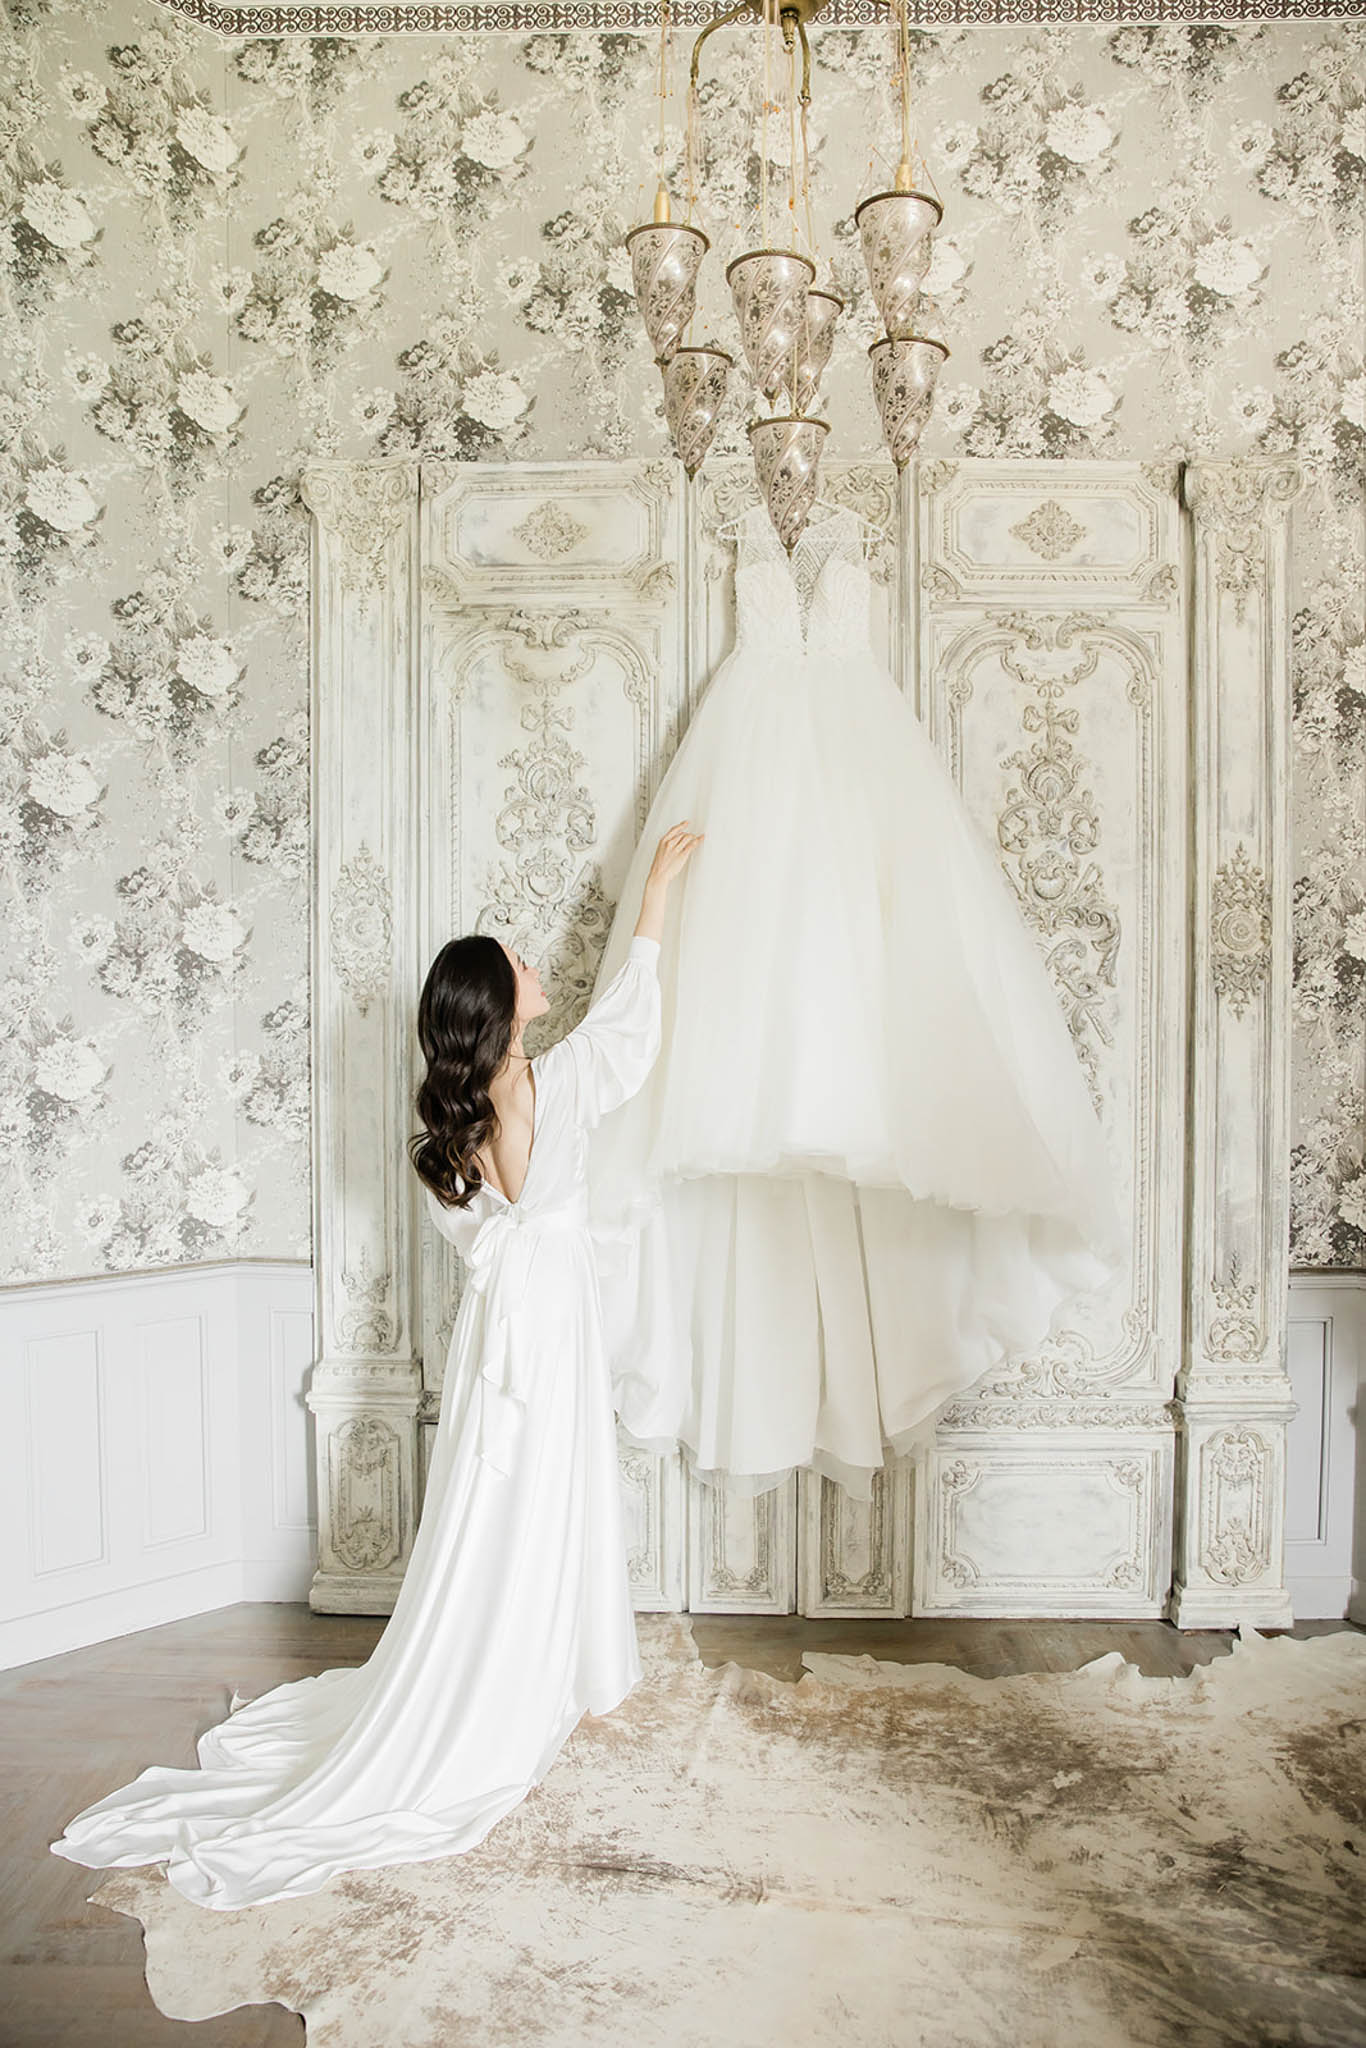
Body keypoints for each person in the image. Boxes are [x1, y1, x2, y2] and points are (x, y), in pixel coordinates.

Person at [49, 822, 700, 1911]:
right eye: (520, 962)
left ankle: (527, 1665)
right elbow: (631, 1031)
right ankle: (528, 1676)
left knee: (508, 1493)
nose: (536, 967)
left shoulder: (457, 1123)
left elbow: (486, 1230)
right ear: (499, 1003)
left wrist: (656, 892)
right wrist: (656, 898)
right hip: (548, 1321)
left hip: (513, 1328)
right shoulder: (556, 1082)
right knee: (544, 1485)